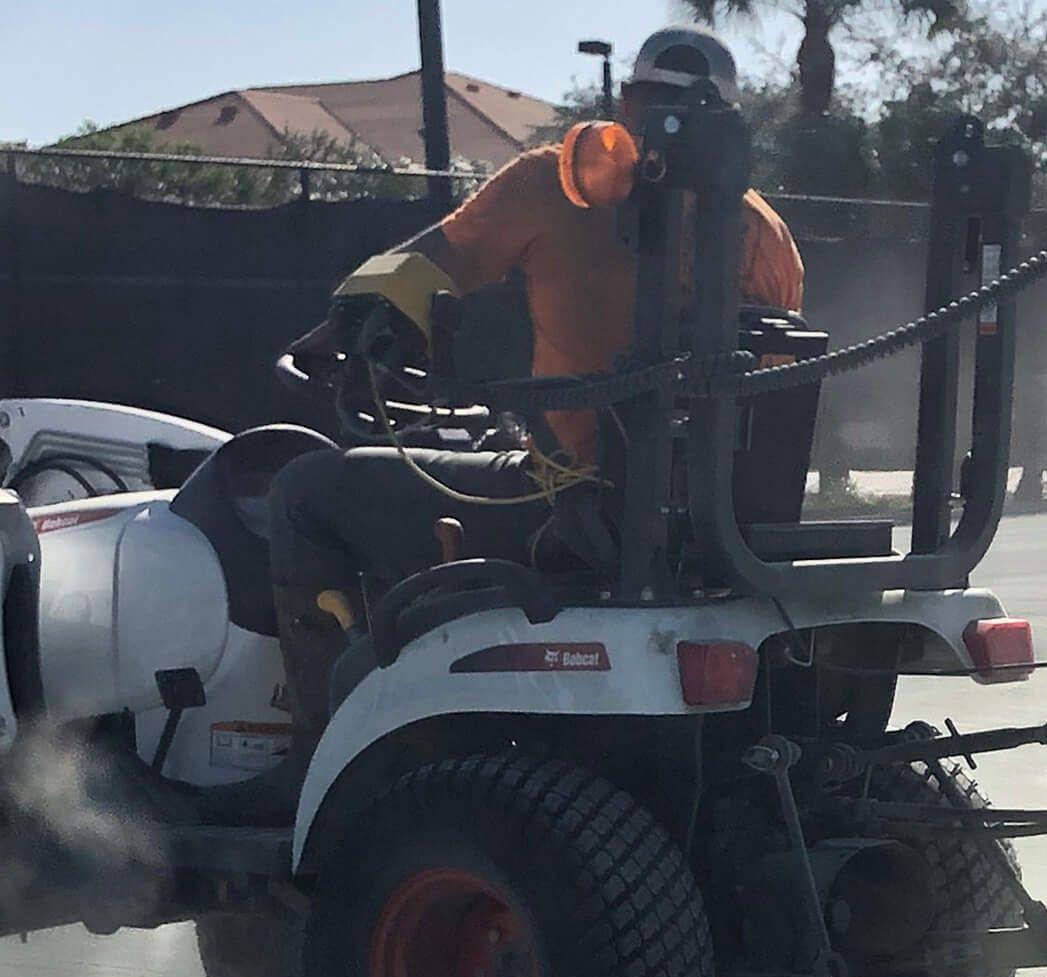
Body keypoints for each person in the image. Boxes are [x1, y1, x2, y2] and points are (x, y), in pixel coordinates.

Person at [204, 26, 803, 822]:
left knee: (309, 493)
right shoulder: (765, 235)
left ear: (626, 104)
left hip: (566, 508)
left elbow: (433, 261)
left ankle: (319, 762)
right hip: (717, 531)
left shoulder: (551, 186)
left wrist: (347, 325)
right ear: (731, 125)